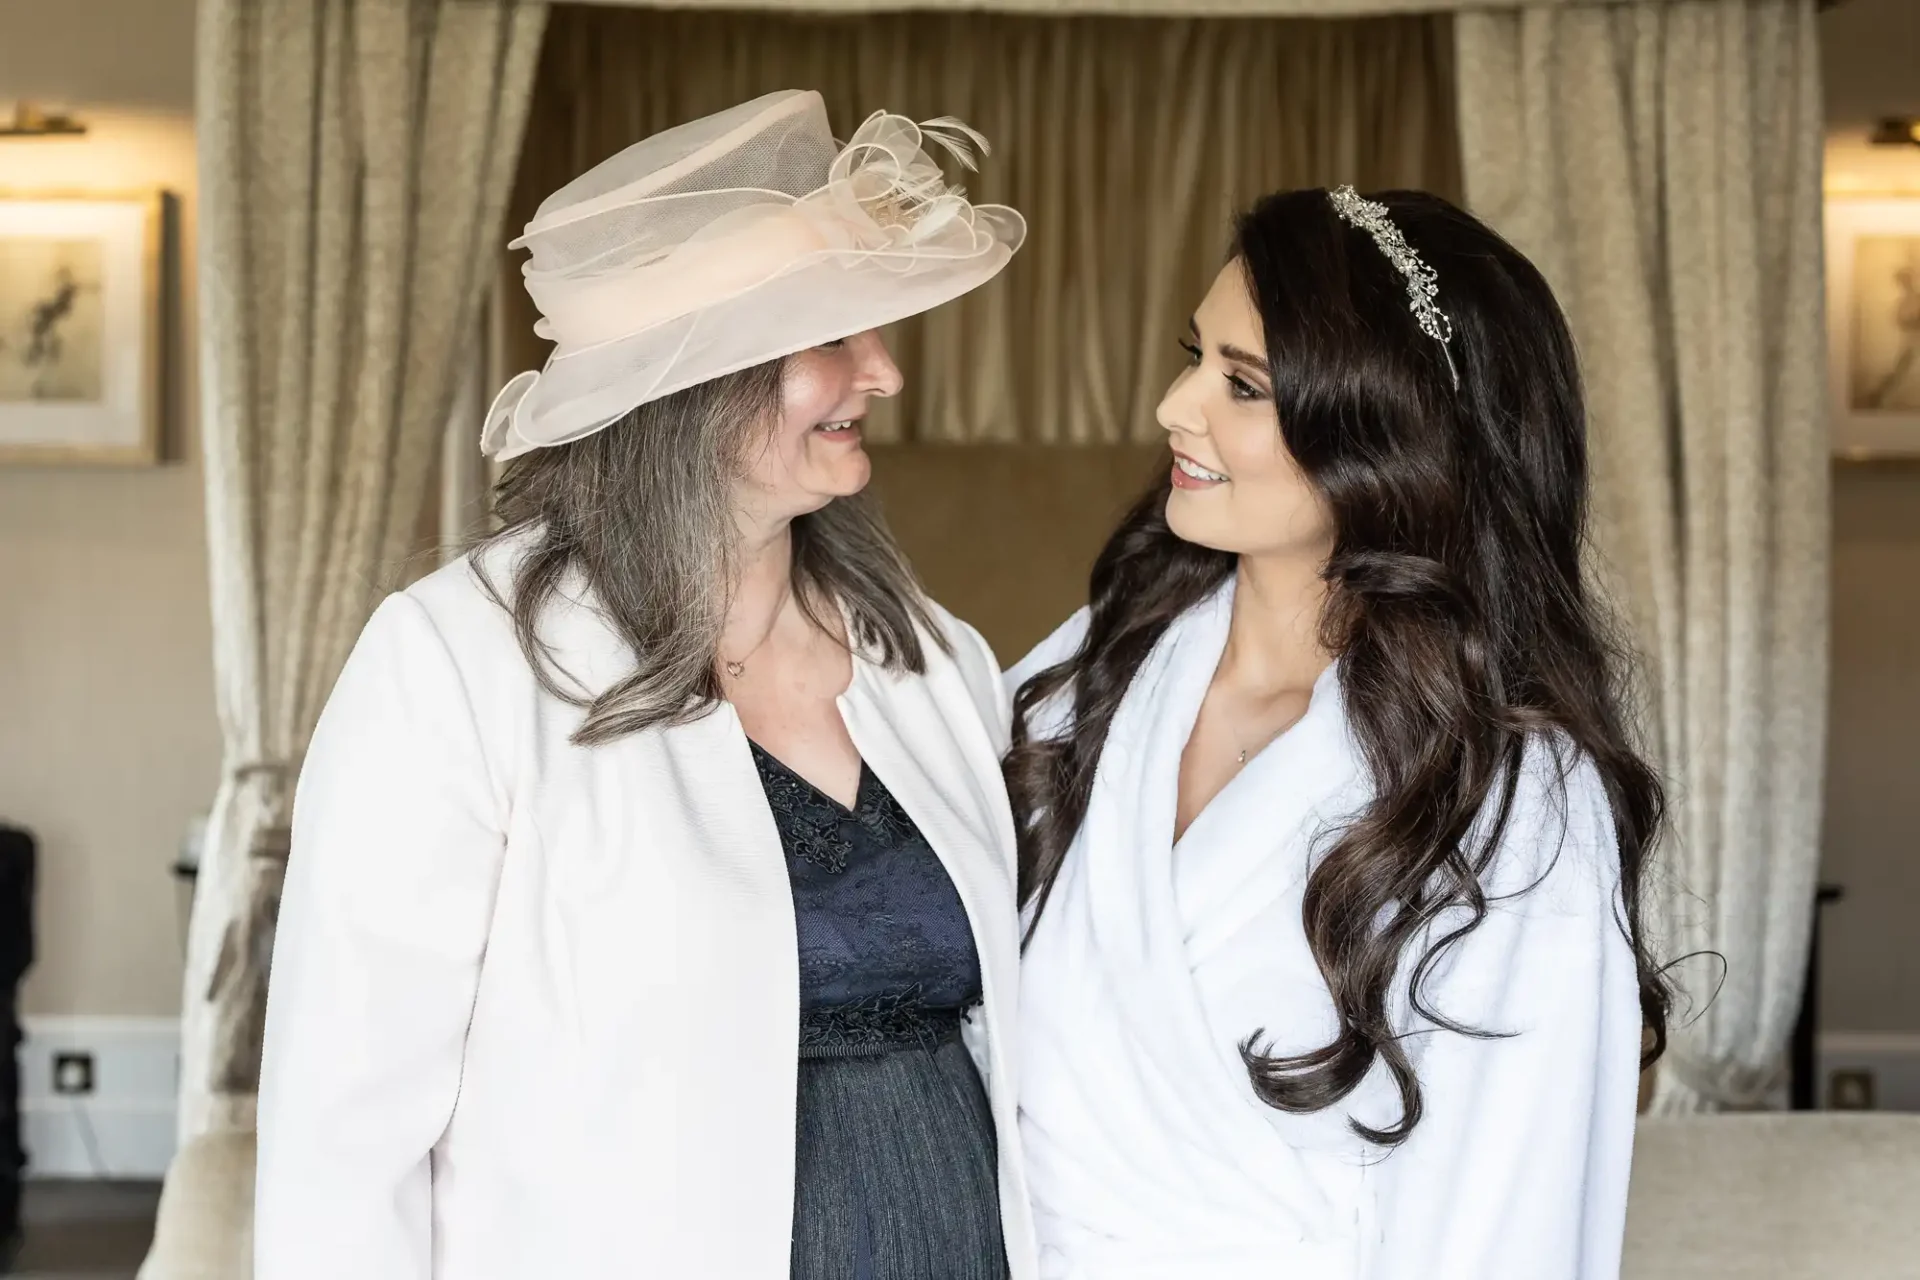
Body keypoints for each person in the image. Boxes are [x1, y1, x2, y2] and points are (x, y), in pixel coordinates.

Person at [255, 89, 1035, 1279]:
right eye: (832, 336)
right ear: (697, 378)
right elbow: (340, 1139)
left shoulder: (934, 658)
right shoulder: (456, 666)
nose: (881, 370)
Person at [1004, 187, 1669, 1279]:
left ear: (1389, 433)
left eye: (1243, 384)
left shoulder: (1506, 790)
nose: (1177, 405)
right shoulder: (1102, 666)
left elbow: (1507, 1215)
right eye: (1194, 356)